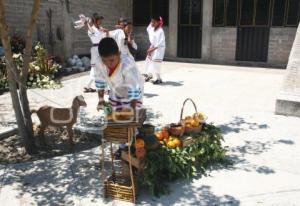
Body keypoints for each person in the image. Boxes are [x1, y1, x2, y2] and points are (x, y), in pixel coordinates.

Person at [94, 37, 144, 112]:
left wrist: (131, 109)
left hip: (132, 94)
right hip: (115, 91)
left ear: (119, 54)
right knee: (114, 115)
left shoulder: (128, 64)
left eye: (111, 60)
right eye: (104, 60)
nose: (108, 64)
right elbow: (100, 82)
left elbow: (134, 87)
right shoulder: (99, 62)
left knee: (130, 117)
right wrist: (101, 100)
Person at [84, 13, 107, 93]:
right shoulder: (91, 29)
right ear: (95, 21)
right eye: (99, 20)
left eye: (101, 20)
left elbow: (104, 36)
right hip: (95, 50)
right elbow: (92, 32)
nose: (101, 22)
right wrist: (87, 23)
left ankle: (88, 86)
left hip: (102, 48)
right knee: (101, 68)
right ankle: (106, 89)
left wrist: (106, 32)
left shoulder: (100, 28)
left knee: (96, 69)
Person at [144, 15, 166, 84]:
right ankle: (149, 75)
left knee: (156, 63)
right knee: (148, 61)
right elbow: (148, 28)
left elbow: (160, 42)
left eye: (154, 22)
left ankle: (159, 79)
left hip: (158, 49)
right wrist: (151, 48)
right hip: (153, 47)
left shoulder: (160, 31)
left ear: (158, 22)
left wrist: (152, 49)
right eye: (151, 22)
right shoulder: (151, 29)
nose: (152, 23)